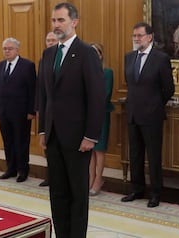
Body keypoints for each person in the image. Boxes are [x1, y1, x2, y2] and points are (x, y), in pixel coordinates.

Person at [38, 2, 106, 237]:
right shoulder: (48, 54)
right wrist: (41, 130)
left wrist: (91, 135)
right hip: (53, 136)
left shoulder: (87, 53)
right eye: (54, 20)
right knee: (57, 192)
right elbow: (43, 95)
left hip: (79, 139)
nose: (56, 25)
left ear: (74, 22)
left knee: (78, 195)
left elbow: (97, 98)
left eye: (61, 20)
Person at [121, 22, 175, 208]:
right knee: (135, 154)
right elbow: (130, 84)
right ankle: (137, 189)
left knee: (153, 156)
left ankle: (155, 193)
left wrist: (155, 105)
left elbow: (169, 88)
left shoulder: (160, 58)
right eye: (134, 36)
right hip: (133, 113)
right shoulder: (129, 58)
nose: (136, 39)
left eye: (140, 36)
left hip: (152, 116)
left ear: (150, 37)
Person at [0, 37, 36, 183]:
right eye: (5, 49)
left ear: (17, 50)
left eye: (10, 48)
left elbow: (32, 89)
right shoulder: (0, 65)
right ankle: (10, 169)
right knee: (8, 141)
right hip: (3, 111)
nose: (7, 51)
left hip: (21, 113)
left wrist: (31, 111)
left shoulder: (27, 65)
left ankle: (23, 170)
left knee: (21, 142)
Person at [88, 42, 114, 196]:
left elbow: (106, 94)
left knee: (99, 149)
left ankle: (99, 179)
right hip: (87, 116)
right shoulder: (85, 71)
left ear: (100, 54)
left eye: (96, 52)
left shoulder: (107, 72)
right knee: (90, 149)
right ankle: (90, 179)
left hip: (101, 114)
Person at [38, 31, 58, 187]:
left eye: (53, 40)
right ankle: (50, 175)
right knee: (48, 146)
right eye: (48, 40)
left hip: (64, 115)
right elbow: (40, 88)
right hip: (47, 110)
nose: (50, 42)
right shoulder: (44, 58)